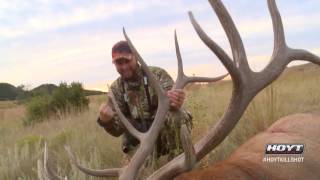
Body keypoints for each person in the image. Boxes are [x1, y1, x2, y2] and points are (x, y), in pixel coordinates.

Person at [97, 40, 192, 161]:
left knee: (177, 116)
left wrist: (175, 102)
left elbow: (172, 98)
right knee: (138, 174)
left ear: (136, 57)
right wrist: (107, 121)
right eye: (119, 63)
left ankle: (179, 161)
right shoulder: (116, 90)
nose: (124, 66)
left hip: (163, 134)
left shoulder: (157, 75)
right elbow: (117, 131)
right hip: (138, 141)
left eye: (127, 61)